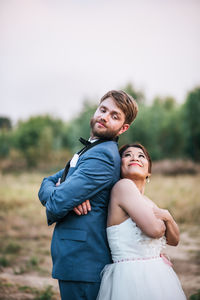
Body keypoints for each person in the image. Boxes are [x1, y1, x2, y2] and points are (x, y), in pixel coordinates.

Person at [38, 90, 138, 300]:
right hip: (77, 260)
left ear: (124, 127)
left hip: (83, 261)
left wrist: (62, 193)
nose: (104, 116)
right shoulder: (90, 150)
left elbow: (55, 203)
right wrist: (63, 192)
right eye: (103, 110)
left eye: (114, 116)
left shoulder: (102, 156)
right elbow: (46, 183)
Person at [96, 143, 186, 300]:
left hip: (157, 275)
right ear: (119, 165)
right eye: (127, 155)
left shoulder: (146, 200)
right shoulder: (123, 186)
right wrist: (163, 220)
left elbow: (174, 240)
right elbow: (155, 230)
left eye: (141, 156)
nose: (134, 158)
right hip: (131, 277)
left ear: (149, 171)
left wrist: (168, 216)